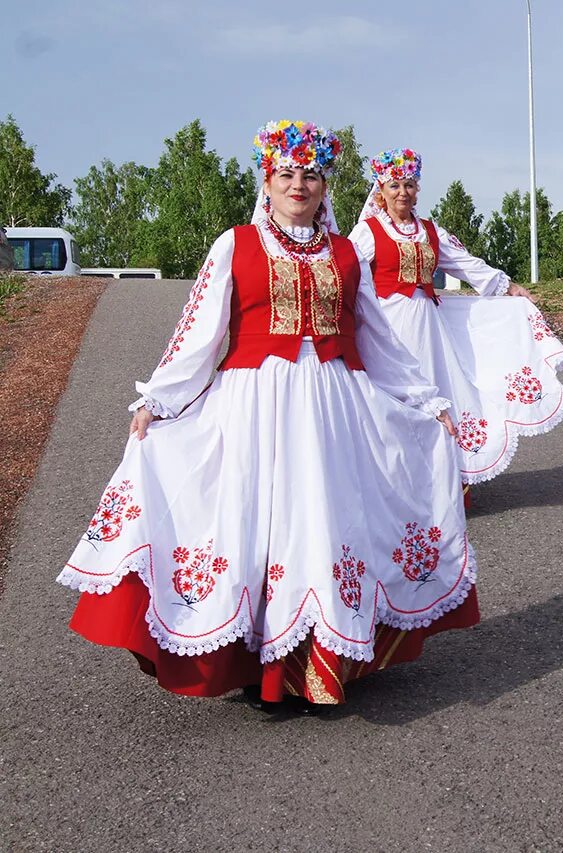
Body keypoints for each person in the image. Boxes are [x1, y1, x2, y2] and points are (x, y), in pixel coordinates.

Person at [59, 121, 478, 712]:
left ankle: (320, 663)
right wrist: (157, 400)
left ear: (326, 185)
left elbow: (379, 340)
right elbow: (199, 335)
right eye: (287, 174)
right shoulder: (236, 244)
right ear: (267, 180)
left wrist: (427, 402)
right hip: (252, 405)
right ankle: (258, 660)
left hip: (333, 408)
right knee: (252, 520)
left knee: (322, 522)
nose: (299, 185)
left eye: (310, 175)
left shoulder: (345, 253)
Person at [348, 148, 563, 488]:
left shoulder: (429, 231)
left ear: (418, 189)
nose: (402, 193)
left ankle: (440, 482)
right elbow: (347, 272)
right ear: (381, 190)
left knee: (437, 392)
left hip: (427, 329)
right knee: (393, 400)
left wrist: (506, 286)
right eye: (394, 186)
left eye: (409, 185)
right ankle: (392, 485)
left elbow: (465, 264)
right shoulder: (368, 232)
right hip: (387, 330)